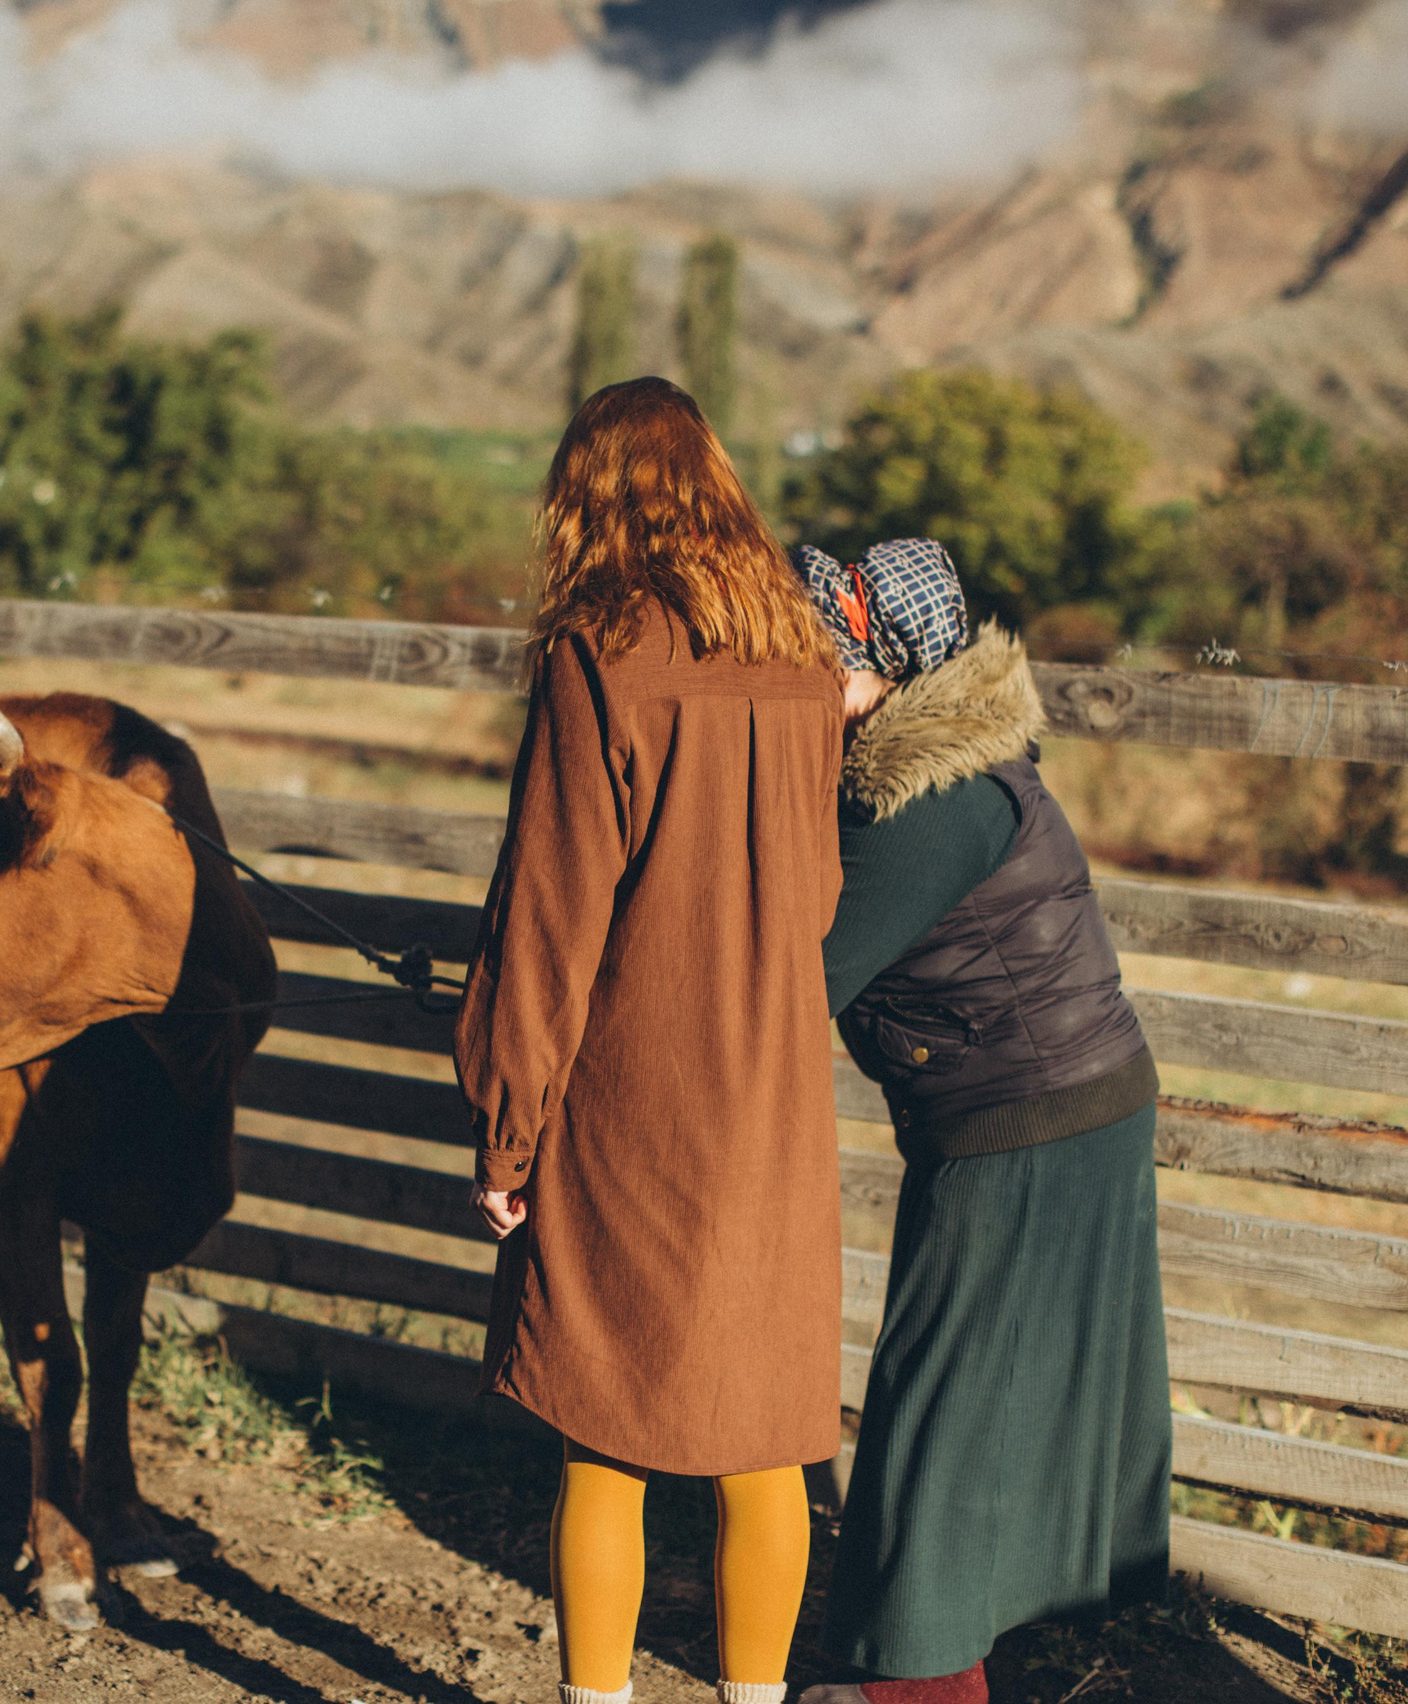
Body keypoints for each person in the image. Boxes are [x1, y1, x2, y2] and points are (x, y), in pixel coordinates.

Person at [456, 377, 847, 1704]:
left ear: (590, 493)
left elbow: (549, 913)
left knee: (602, 1430)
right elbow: (824, 891)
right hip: (778, 1097)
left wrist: (508, 1128)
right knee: (770, 1439)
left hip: (629, 1098)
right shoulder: (798, 647)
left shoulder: (598, 646)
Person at [790, 541, 1170, 1704]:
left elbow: (801, 980)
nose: (799, 683)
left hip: (1024, 1117)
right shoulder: (938, 773)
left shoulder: (926, 808)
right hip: (1052, 1106)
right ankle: (950, 1647)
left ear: (884, 670)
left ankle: (916, 1684)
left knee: (940, 1401)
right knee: (982, 1392)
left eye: (821, 663)